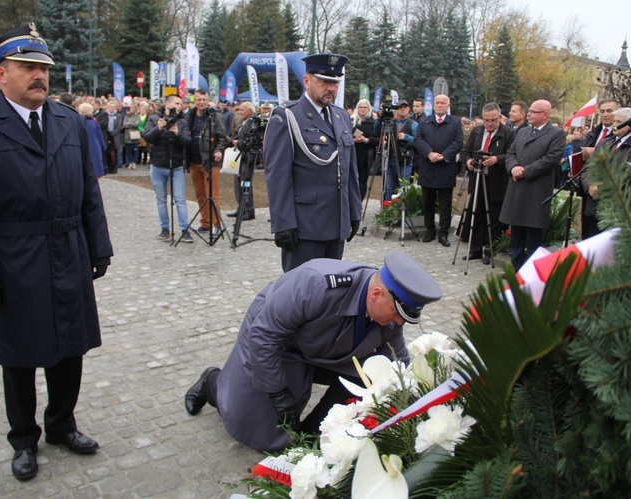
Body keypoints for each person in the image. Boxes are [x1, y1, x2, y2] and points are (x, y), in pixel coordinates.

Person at [0, 23, 113, 481]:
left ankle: (61, 424)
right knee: (20, 354)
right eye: (27, 68)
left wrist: (98, 246)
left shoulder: (70, 122)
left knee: (71, 349)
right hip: (14, 257)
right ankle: (23, 437)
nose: (39, 76)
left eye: (43, 68)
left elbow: (88, 190)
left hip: (68, 247)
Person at [183, 252, 443, 453]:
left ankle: (312, 433)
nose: (398, 323)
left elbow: (396, 358)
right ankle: (212, 382)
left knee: (375, 373)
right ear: (376, 294)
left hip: (329, 349)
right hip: (281, 344)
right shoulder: (316, 284)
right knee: (258, 430)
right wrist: (276, 391)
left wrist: (411, 394)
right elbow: (264, 334)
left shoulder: (388, 315)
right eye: (397, 314)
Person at [263, 53, 361, 272]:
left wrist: (353, 212)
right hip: (305, 227)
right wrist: (283, 223)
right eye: (324, 81)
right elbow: (277, 175)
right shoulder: (287, 117)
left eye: (335, 82)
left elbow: (349, 170)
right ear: (307, 81)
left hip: (337, 224)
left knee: (331, 290)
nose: (331, 88)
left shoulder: (341, 117)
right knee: (300, 295)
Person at [500, 99, 567, 269]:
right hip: (517, 187)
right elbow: (511, 153)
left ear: (545, 114)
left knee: (532, 232)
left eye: (533, 111)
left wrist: (525, 171)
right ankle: (516, 268)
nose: (528, 114)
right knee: (516, 231)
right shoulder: (523, 132)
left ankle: (530, 270)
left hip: (536, 189)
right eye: (529, 111)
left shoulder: (556, 134)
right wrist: (513, 167)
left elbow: (551, 159)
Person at [579, 107, 631, 238]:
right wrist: (590, 186)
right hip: (593, 207)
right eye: (615, 121)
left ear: (630, 125)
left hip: (615, 210)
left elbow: (629, 175)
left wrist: (601, 189)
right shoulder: (605, 143)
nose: (615, 125)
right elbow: (587, 168)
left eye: (619, 122)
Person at [459, 103, 516, 264]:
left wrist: (497, 159)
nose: (489, 123)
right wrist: (469, 161)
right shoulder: (477, 132)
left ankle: (490, 249)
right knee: (475, 215)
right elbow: (465, 151)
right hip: (477, 179)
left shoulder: (509, 134)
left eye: (493, 120)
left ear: (500, 118)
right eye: (486, 120)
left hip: (497, 182)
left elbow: (512, 155)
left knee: (494, 218)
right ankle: (475, 249)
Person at [414, 94, 465, 247]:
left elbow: (458, 142)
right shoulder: (424, 122)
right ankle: (430, 231)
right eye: (437, 103)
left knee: (445, 204)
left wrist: (443, 155)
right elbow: (418, 140)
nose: (440, 105)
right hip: (428, 167)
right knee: (427, 202)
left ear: (448, 105)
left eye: (443, 103)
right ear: (433, 105)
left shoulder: (455, 123)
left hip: (445, 167)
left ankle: (443, 233)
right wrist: (429, 153)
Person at [143, 94, 193, 242]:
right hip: (158, 165)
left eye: (180, 104)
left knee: (180, 200)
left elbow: (187, 142)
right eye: (176, 103)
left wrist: (178, 134)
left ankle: (184, 229)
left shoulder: (182, 121)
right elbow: (147, 137)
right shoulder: (153, 119)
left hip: (175, 165)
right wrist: (158, 128)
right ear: (167, 104)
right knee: (161, 199)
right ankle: (165, 229)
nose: (179, 106)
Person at [185, 88, 228, 232]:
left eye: (204, 99)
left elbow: (222, 137)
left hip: (210, 161)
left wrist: (218, 150)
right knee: (200, 194)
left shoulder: (215, 115)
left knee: (212, 194)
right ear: (194, 100)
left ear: (208, 100)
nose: (201, 102)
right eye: (198, 99)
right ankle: (205, 222)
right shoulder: (190, 115)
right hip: (194, 160)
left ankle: (216, 225)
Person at [378, 99, 417, 200]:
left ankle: (401, 212)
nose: (402, 110)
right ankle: (387, 212)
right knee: (389, 188)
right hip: (390, 160)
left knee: (403, 188)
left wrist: (406, 137)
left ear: (408, 109)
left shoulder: (413, 124)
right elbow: (377, 132)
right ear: (396, 110)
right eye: (400, 108)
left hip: (405, 160)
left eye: (405, 107)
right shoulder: (391, 122)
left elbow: (419, 141)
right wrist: (379, 119)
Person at [227, 101, 257, 220]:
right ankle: (241, 207)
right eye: (239, 110)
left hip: (248, 158)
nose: (240, 112)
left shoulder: (253, 123)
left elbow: (252, 141)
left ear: (250, 111)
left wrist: (238, 143)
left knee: (246, 183)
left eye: (242, 110)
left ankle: (249, 209)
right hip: (238, 157)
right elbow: (237, 135)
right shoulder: (241, 122)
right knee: (237, 183)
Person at [352, 98, 379, 200]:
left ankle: (359, 202)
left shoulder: (373, 122)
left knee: (362, 181)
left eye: (365, 107)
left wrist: (366, 140)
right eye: (360, 107)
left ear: (369, 109)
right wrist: (353, 140)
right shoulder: (352, 121)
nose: (362, 109)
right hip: (353, 154)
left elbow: (377, 139)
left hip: (366, 155)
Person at [78, 102, 107, 178]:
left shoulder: (79, 122)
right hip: (95, 147)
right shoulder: (94, 121)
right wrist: (103, 146)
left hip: (83, 147)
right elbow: (99, 135)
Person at [97, 100, 123, 174]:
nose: (112, 108)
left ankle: (114, 168)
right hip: (106, 136)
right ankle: (108, 167)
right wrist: (108, 135)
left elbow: (119, 126)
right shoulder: (105, 115)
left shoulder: (118, 115)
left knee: (115, 152)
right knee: (107, 152)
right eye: (111, 106)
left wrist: (112, 134)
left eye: (114, 106)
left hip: (115, 136)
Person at [122, 103, 141, 169]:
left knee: (135, 149)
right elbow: (124, 124)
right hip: (127, 135)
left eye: (133, 108)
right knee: (128, 150)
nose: (131, 109)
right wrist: (132, 123)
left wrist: (129, 123)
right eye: (130, 108)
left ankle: (134, 162)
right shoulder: (126, 116)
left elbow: (137, 124)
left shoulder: (137, 116)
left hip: (134, 134)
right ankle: (130, 162)